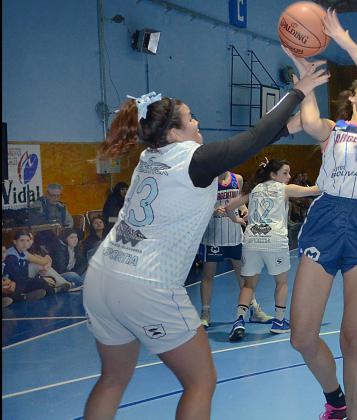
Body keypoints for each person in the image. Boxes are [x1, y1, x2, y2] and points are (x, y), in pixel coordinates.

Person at [80, 66, 328, 420]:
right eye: (190, 119)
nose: (197, 123)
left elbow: (245, 146)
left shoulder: (149, 158)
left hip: (103, 275)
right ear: (173, 132)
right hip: (147, 282)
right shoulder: (191, 159)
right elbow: (254, 137)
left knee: (112, 379)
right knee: (201, 381)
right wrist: (298, 91)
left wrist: (290, 127)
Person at [284, 10, 357, 420]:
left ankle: (354, 416)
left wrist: (347, 42)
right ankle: (335, 397)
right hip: (327, 219)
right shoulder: (332, 131)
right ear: (351, 98)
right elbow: (311, 120)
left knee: (353, 340)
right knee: (302, 337)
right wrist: (305, 76)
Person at [224, 158, 320, 341]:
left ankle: (239, 321)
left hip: (252, 240)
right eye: (285, 173)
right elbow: (315, 190)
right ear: (273, 174)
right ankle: (279, 322)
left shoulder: (254, 190)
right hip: (274, 240)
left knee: (248, 285)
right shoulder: (285, 188)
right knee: (281, 282)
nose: (289, 176)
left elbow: (229, 207)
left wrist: (237, 220)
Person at [197, 170, 272, 328]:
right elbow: (197, 206)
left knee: (244, 275)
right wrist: (211, 211)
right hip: (213, 236)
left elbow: (239, 200)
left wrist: (244, 209)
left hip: (235, 235)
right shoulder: (207, 181)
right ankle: (205, 313)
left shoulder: (237, 178)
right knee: (208, 275)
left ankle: (254, 310)